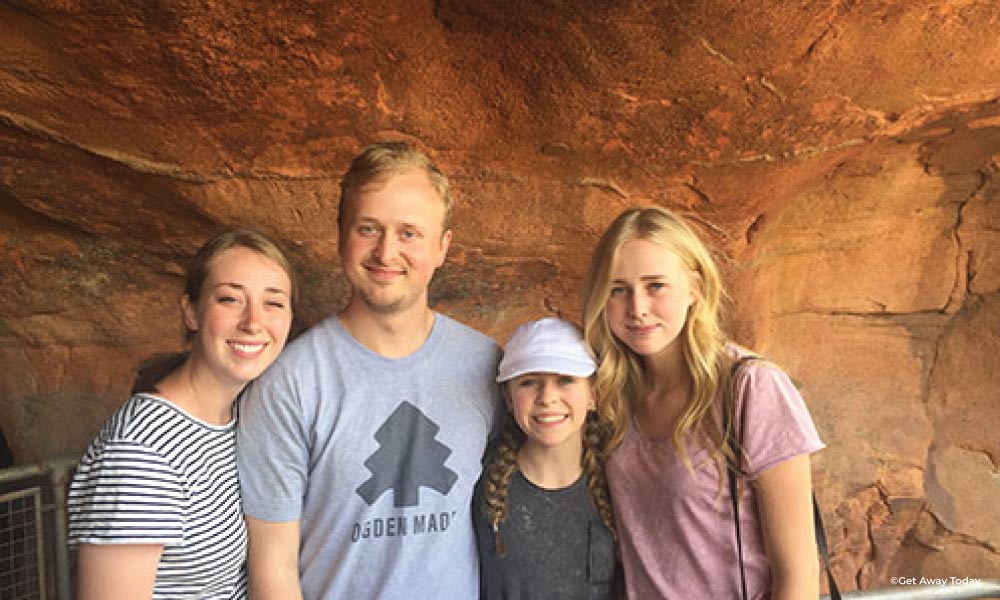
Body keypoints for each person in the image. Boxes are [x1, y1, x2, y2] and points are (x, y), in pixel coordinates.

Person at [237, 141, 502, 600]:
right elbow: (273, 568)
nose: (386, 251)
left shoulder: (486, 366)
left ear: (442, 247)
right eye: (368, 228)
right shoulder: (290, 383)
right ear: (340, 235)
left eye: (409, 234)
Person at [581, 206, 825, 600]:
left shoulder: (749, 388)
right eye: (618, 289)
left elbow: (798, 575)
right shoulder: (610, 395)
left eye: (655, 285)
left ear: (694, 288)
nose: (637, 307)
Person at [67, 229, 297, 599]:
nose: (253, 322)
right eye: (230, 299)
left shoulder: (240, 416)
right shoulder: (141, 452)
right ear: (191, 311)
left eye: (273, 303)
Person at [474, 317, 618, 600]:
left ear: (594, 394)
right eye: (529, 382)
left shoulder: (618, 483)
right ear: (507, 397)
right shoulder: (481, 483)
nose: (547, 397)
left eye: (566, 380)